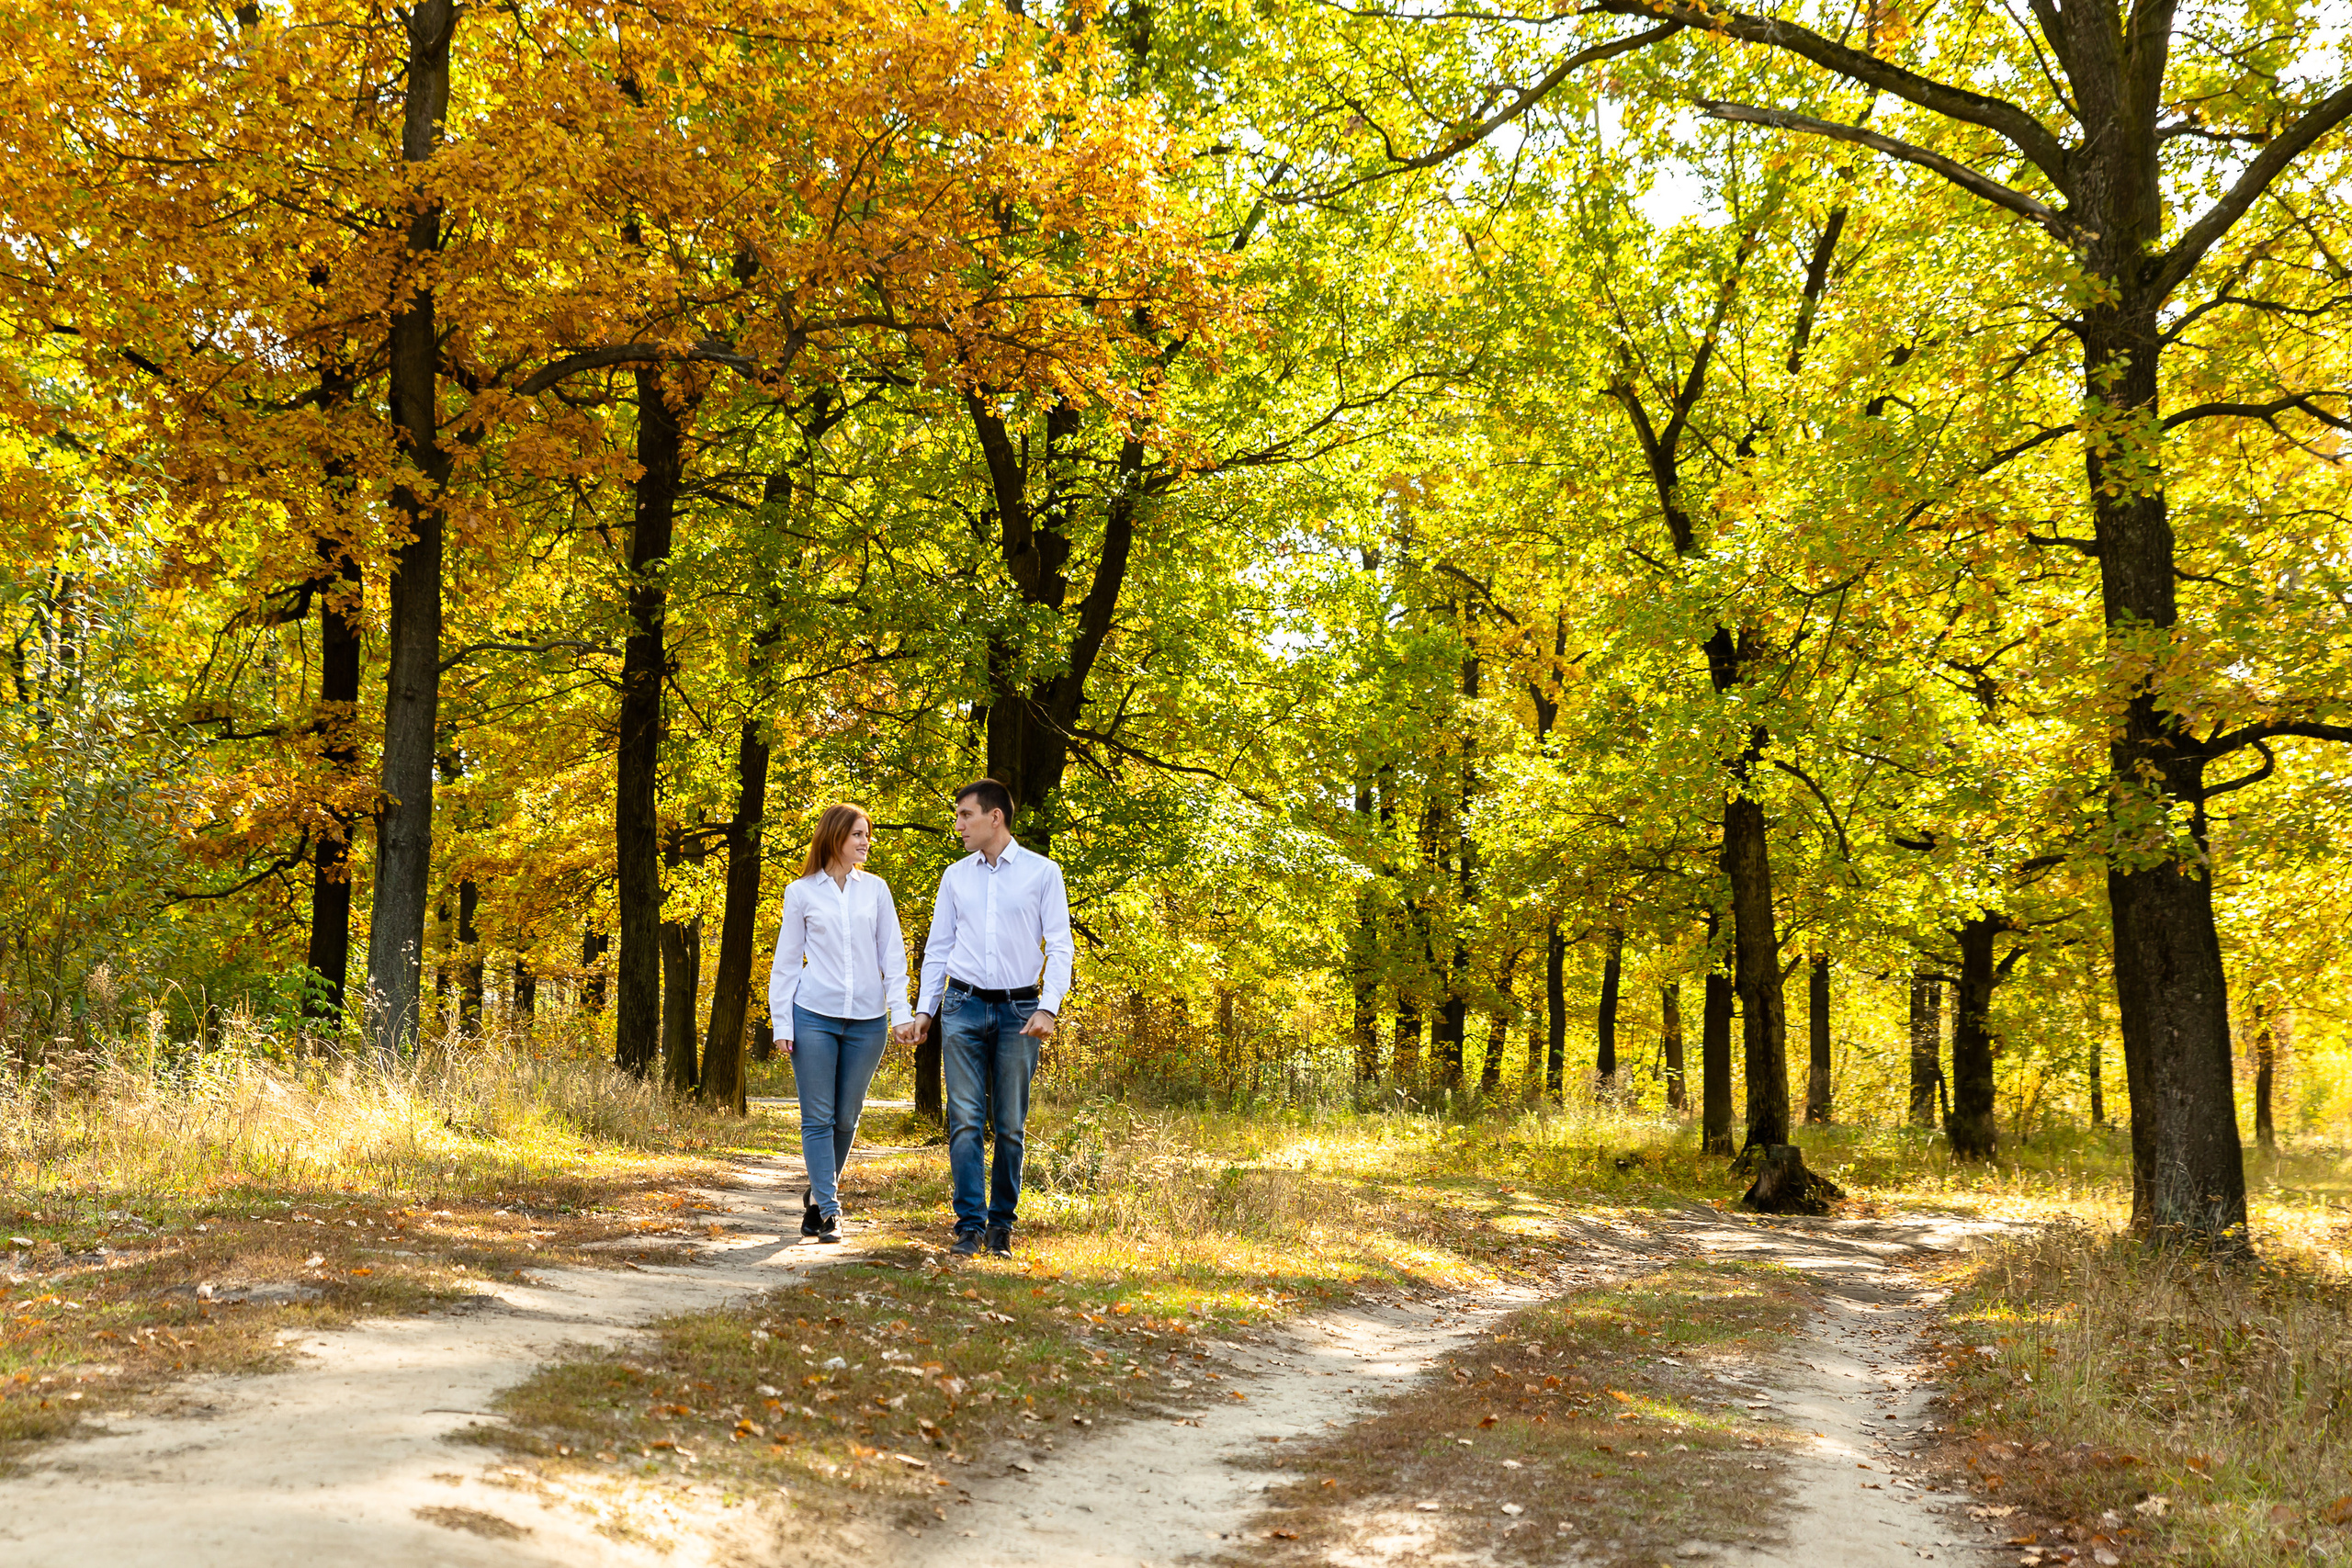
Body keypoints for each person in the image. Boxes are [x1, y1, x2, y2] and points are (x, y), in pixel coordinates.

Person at [908, 779, 1073, 1259]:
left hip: (1021, 1010)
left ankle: (1001, 1226)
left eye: (965, 815)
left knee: (1009, 1124)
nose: (958, 825)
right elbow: (938, 949)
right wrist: (926, 1010)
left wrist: (1050, 1006)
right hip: (962, 1005)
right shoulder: (955, 876)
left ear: (994, 817)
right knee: (963, 1120)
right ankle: (969, 1225)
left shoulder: (1043, 874)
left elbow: (1060, 946)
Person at [767, 803, 919, 1243]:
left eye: (867, 834)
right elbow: (787, 962)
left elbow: (893, 956)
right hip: (813, 1014)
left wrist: (902, 1013)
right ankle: (831, 1210)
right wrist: (783, 1024)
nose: (866, 842)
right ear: (835, 837)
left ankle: (815, 1196)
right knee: (818, 1117)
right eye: (858, 835)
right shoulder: (801, 893)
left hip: (868, 1021)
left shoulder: (876, 890)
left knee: (846, 1119)